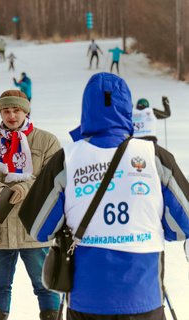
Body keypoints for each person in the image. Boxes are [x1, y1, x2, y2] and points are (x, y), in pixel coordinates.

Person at [19, 72, 189, 320]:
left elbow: (38, 227)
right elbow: (183, 222)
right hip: (143, 296)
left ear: (86, 109)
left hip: (88, 298)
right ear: (126, 108)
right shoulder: (155, 156)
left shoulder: (67, 158)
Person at [0, 89, 61, 320]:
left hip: (35, 226)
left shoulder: (46, 140)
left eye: (16, 110)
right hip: (0, 228)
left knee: (45, 285)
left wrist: (24, 187)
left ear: (26, 111)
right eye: (6, 110)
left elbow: (54, 177)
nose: (11, 116)